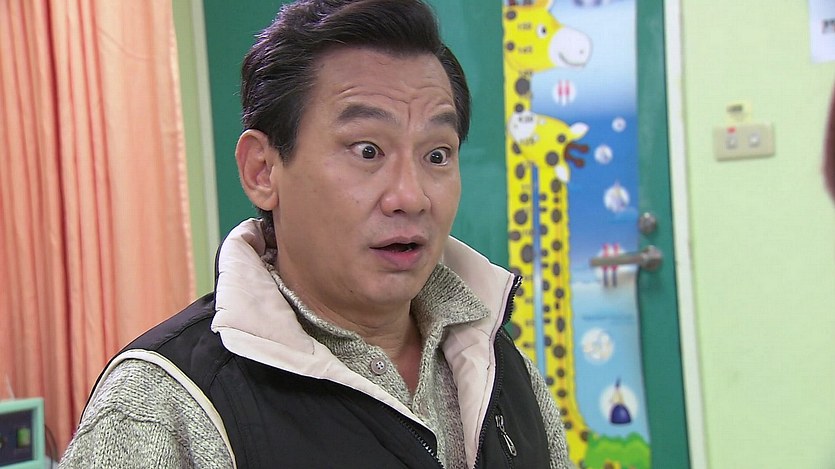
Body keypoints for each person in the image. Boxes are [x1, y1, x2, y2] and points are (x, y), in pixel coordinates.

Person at [60, 0, 571, 467]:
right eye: (367, 151)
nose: (411, 197)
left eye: (436, 155)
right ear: (263, 170)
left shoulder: (498, 364)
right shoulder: (166, 404)